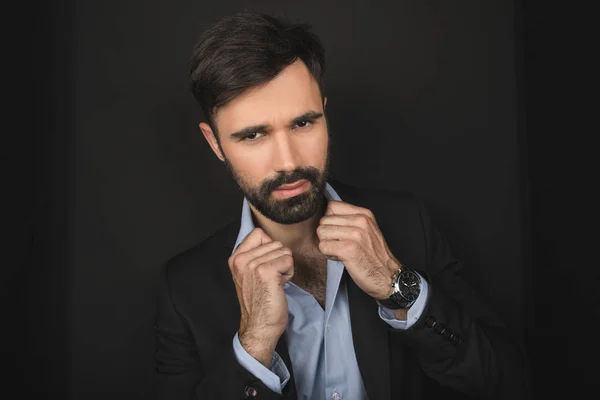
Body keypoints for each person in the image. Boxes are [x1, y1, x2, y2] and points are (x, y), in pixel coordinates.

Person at [154, 11, 530, 400]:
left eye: (303, 124)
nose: (288, 161)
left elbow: (504, 382)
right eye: (253, 135)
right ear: (215, 144)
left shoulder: (408, 224)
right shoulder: (184, 288)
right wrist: (254, 346)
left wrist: (400, 288)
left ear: (324, 113)